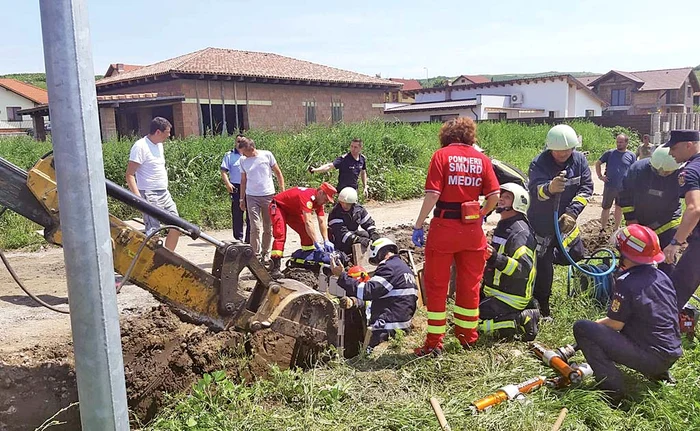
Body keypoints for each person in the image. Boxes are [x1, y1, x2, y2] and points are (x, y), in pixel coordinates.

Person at [411, 118, 500, 355]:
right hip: (472, 232)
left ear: (446, 136)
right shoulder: (482, 159)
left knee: (437, 285)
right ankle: (467, 338)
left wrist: (418, 224)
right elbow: (494, 196)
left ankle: (434, 343)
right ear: (470, 135)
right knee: (470, 285)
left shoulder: (441, 156)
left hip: (444, 229)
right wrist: (481, 215)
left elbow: (432, 195)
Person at [573, 224, 681, 405]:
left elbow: (615, 325)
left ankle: (612, 391)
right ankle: (660, 374)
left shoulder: (626, 282)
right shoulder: (662, 277)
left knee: (582, 328)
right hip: (671, 353)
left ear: (623, 253)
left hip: (651, 358)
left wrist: (595, 325)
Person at [528, 124, 593, 318]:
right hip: (543, 223)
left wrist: (573, 213)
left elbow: (586, 188)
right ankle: (542, 307)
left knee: (576, 253)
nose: (564, 153)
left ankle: (550, 255)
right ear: (550, 148)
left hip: (566, 221)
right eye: (559, 151)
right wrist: (549, 188)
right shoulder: (539, 163)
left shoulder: (579, 160)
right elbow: (534, 191)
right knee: (544, 267)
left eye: (568, 150)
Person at [330, 238, 418, 351]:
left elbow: (367, 291)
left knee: (367, 357)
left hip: (386, 328)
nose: (378, 265)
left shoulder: (389, 267)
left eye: (376, 260)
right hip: (402, 326)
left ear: (379, 253)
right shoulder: (405, 269)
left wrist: (342, 276)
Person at [479, 183, 540, 341]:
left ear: (518, 202)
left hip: (510, 297)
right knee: (465, 313)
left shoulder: (519, 232)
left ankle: (521, 320)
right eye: (501, 195)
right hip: (496, 292)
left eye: (507, 197)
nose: (500, 199)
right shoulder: (505, 224)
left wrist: (494, 258)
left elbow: (522, 269)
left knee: (477, 325)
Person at [618, 146, 682, 277]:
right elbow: (624, 194)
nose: (663, 174)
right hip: (639, 221)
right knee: (634, 255)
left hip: (667, 223)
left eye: (667, 172)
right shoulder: (637, 169)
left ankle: (666, 285)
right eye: (659, 171)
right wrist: (631, 219)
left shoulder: (681, 175)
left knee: (667, 258)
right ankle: (629, 283)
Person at [125, 117, 180, 251]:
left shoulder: (159, 145)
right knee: (154, 232)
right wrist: (138, 199)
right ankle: (152, 264)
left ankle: (169, 257)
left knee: (177, 226)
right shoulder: (140, 147)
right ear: (157, 132)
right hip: (149, 194)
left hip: (164, 193)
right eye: (167, 132)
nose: (169, 135)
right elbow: (129, 175)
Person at [663, 130, 700, 311]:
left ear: (689, 145)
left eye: (674, 148)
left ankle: (659, 335)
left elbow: (694, 209)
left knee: (675, 292)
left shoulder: (690, 171)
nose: (671, 153)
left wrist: (675, 242)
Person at [268, 183, 337, 279]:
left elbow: (322, 221)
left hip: (292, 211)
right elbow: (308, 221)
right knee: (280, 235)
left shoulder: (318, 202)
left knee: (306, 234)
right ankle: (274, 267)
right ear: (321, 193)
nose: (325, 202)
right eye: (326, 199)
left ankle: (306, 260)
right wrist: (316, 242)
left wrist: (326, 240)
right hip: (279, 207)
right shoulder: (307, 197)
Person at [238, 137, 285, 262]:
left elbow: (278, 172)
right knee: (254, 226)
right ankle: (255, 255)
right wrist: (241, 199)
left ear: (251, 149)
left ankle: (266, 252)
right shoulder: (243, 161)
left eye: (244, 152)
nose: (242, 155)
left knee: (268, 226)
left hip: (268, 195)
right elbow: (243, 180)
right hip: (251, 196)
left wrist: (282, 191)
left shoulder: (267, 155)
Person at [595, 134, 636, 232]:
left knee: (619, 208)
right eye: (617, 142)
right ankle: (603, 228)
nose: (618, 144)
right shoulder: (610, 153)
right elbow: (598, 163)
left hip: (623, 188)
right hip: (610, 186)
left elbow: (634, 169)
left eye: (621, 142)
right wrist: (600, 176)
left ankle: (616, 229)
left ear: (626, 143)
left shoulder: (631, 155)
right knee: (606, 207)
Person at [328, 187, 380, 256]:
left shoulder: (358, 209)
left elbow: (368, 222)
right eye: (342, 203)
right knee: (356, 242)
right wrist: (357, 239)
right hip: (339, 240)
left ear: (353, 203)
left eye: (347, 203)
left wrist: (373, 233)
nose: (344, 205)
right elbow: (341, 234)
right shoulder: (335, 213)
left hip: (353, 233)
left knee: (366, 235)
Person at [220, 135, 250, 242]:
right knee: (237, 213)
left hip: (250, 187)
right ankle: (238, 237)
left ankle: (249, 238)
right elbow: (223, 171)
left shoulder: (250, 155)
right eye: (238, 141)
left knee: (250, 213)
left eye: (242, 141)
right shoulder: (229, 156)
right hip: (236, 187)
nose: (239, 143)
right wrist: (228, 184)